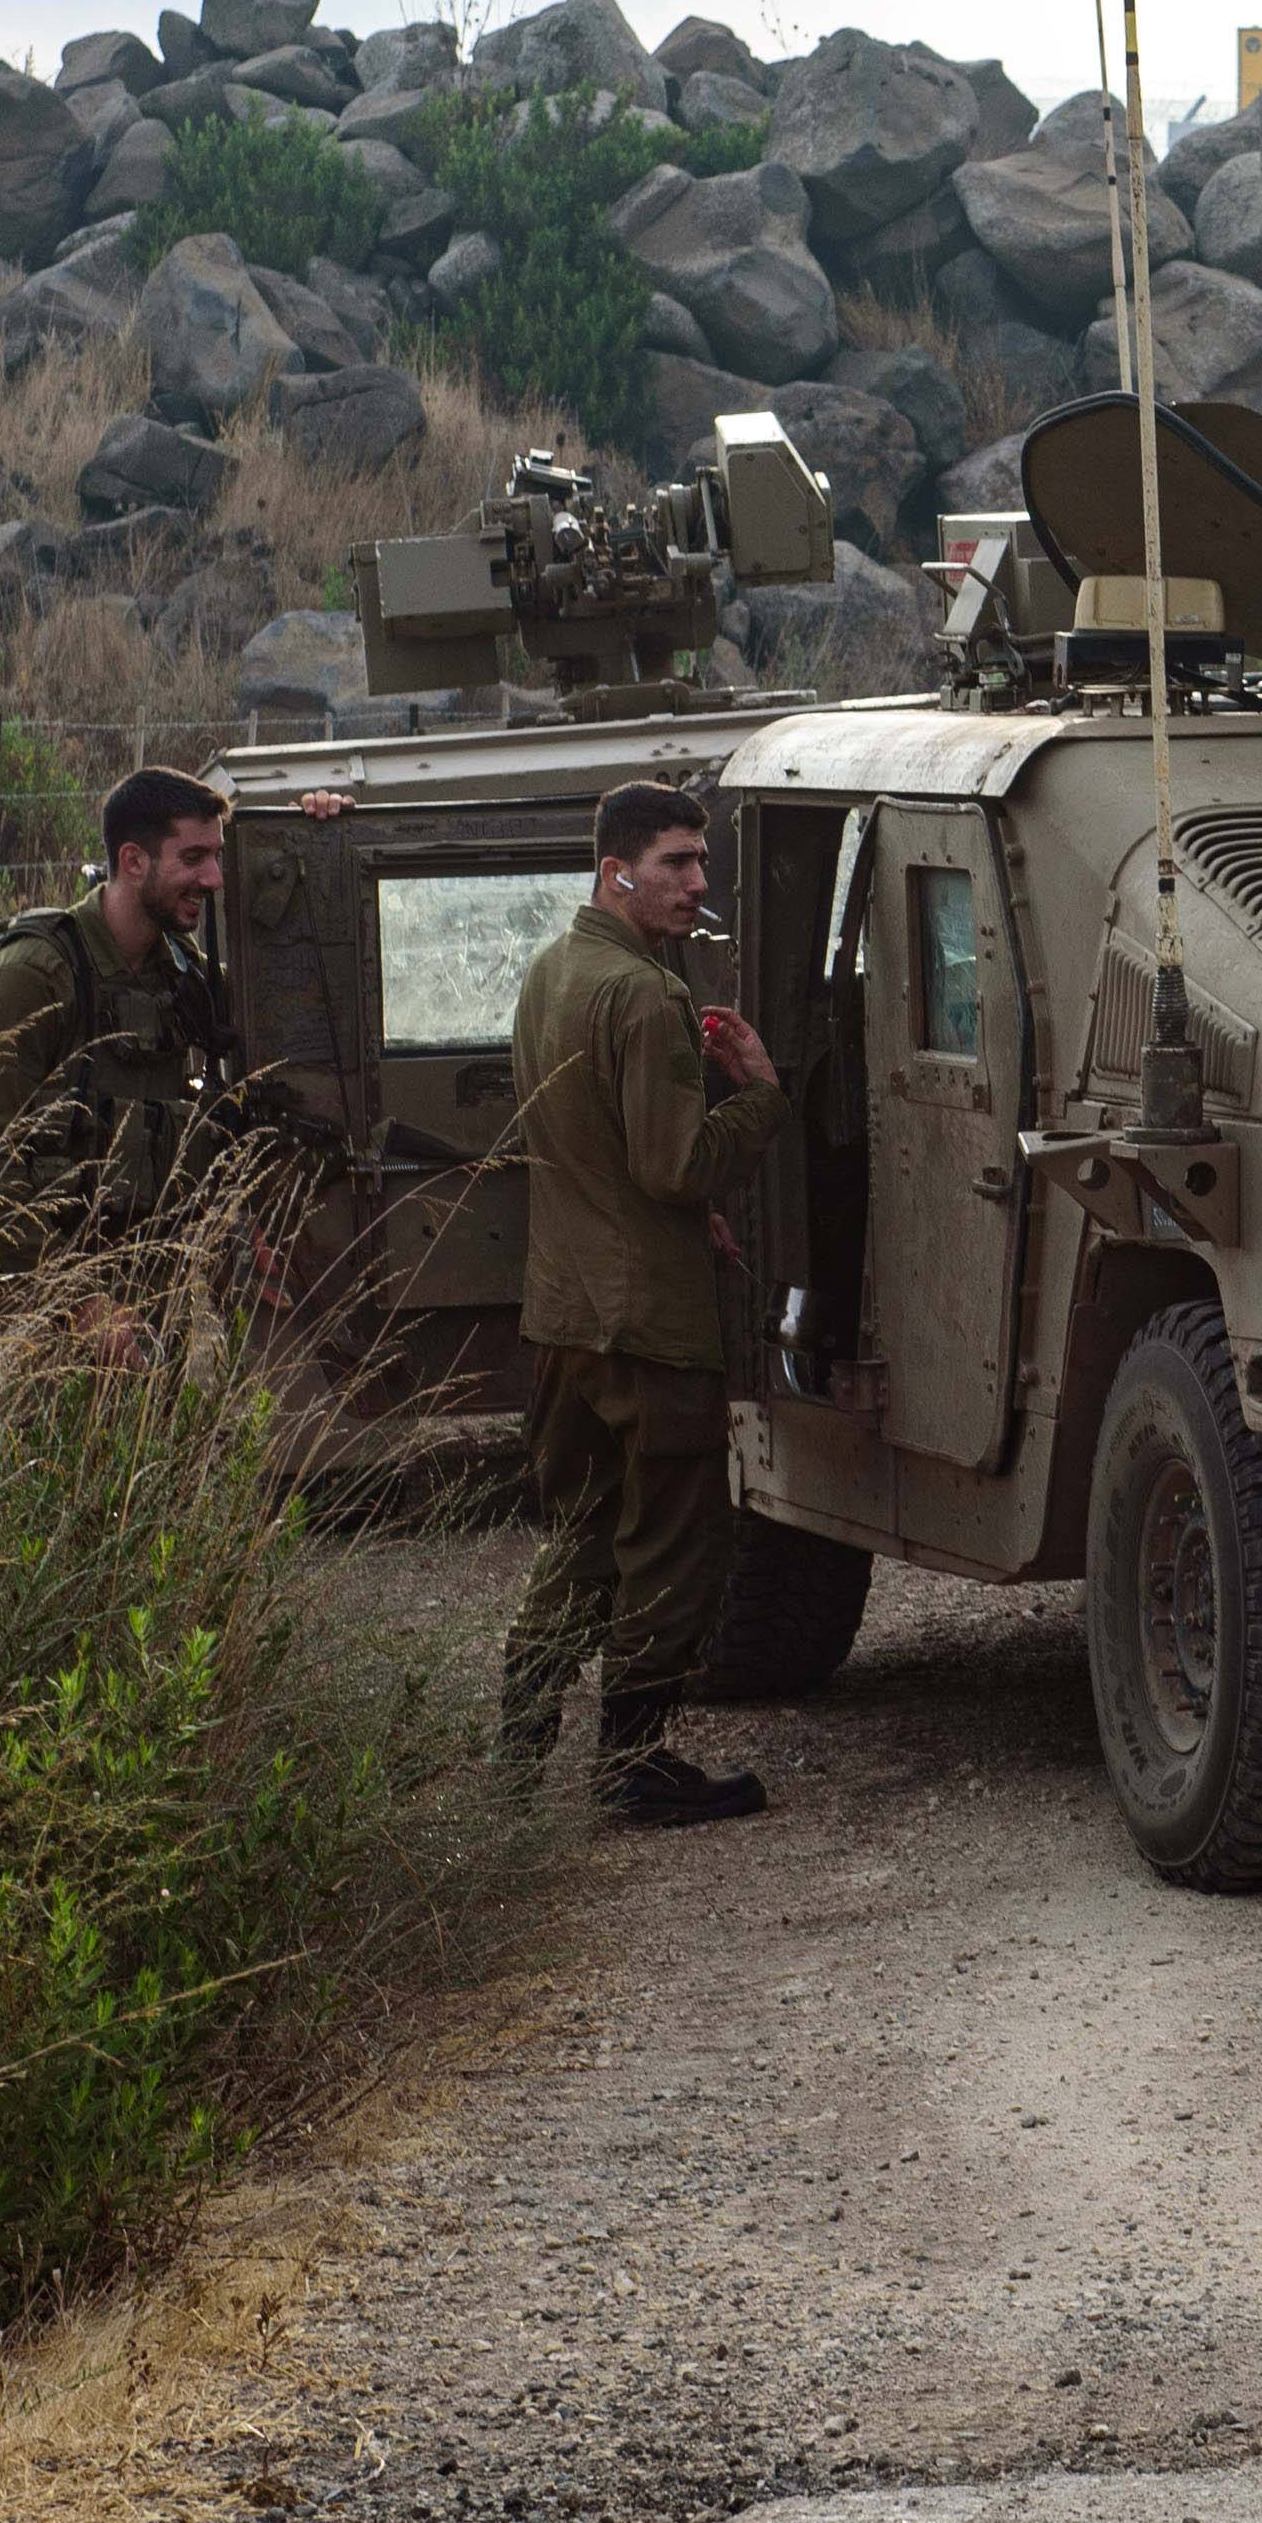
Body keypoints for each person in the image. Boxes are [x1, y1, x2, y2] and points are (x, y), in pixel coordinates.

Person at [499, 777, 789, 1828]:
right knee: (671, 1539)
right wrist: (758, 1091)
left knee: (577, 1535)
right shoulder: (647, 992)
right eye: (676, 861)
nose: (697, 882)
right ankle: (636, 1756)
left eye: (699, 861)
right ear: (617, 868)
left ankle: (518, 1746)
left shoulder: (549, 971)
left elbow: (591, 1144)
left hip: (565, 1312)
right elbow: (676, 1166)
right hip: (650, 1326)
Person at [0, 767, 239, 1281]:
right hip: (47, 1305)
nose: (213, 879)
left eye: (217, 857)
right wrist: (76, 1302)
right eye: (193, 858)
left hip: (153, 1290)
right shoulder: (33, 975)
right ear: (133, 861)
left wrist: (316, 825)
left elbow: (281, 1014)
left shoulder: (180, 973)